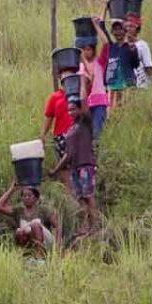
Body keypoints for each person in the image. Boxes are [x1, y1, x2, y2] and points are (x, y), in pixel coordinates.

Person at [49, 99, 98, 239]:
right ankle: (85, 226)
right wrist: (56, 169)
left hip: (86, 165)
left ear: (80, 110)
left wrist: (82, 81)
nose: (71, 113)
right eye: (69, 110)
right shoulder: (70, 130)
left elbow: (84, 101)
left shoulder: (85, 123)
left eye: (74, 109)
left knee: (88, 195)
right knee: (80, 198)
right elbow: (67, 154)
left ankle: (95, 225)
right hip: (74, 168)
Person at [0, 179, 60, 257]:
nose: (26, 198)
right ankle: (26, 255)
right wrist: (12, 189)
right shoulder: (19, 211)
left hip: (45, 241)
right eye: (24, 196)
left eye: (29, 195)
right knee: (19, 231)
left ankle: (39, 256)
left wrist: (57, 246)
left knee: (35, 224)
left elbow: (57, 226)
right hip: (30, 242)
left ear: (35, 198)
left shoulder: (43, 210)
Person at [39, 68, 77, 195]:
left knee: (77, 170)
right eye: (65, 77)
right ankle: (74, 203)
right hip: (60, 138)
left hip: (77, 136)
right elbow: (48, 118)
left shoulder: (79, 96)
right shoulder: (55, 97)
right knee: (65, 173)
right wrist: (42, 136)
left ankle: (82, 203)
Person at [76, 35, 109, 142]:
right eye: (83, 49)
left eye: (89, 49)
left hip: (99, 103)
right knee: (85, 134)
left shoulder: (99, 62)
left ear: (93, 50)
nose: (86, 52)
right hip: (85, 104)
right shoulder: (79, 67)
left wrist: (97, 26)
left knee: (96, 133)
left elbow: (106, 44)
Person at [101, 17, 139, 108]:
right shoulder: (110, 47)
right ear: (112, 32)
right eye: (115, 29)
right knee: (112, 113)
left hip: (127, 83)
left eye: (120, 29)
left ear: (125, 31)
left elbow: (136, 64)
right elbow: (102, 28)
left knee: (127, 111)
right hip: (113, 83)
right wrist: (105, 8)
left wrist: (133, 51)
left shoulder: (130, 46)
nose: (118, 32)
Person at [126, 14, 152, 88]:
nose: (128, 29)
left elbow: (148, 66)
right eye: (126, 26)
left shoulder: (142, 45)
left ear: (137, 29)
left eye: (131, 26)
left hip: (141, 86)